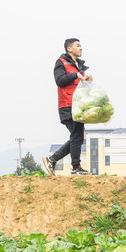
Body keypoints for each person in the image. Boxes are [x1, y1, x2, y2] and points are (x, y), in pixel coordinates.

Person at [43, 38, 91, 176]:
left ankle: (53, 159)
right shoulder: (61, 62)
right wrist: (75, 75)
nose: (81, 48)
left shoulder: (78, 66)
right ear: (69, 49)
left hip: (78, 105)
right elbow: (59, 81)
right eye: (78, 45)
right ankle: (75, 167)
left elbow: (78, 85)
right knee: (77, 135)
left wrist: (86, 80)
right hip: (67, 105)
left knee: (77, 136)